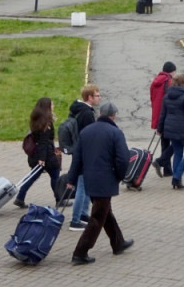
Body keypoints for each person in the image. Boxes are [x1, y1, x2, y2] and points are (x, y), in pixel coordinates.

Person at [66, 102, 133, 265]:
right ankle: (80, 252)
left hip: (89, 179)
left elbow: (77, 158)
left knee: (105, 212)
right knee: (97, 217)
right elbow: (123, 159)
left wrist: (71, 179)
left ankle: (118, 243)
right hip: (105, 180)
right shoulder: (116, 133)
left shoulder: (86, 131)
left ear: (99, 114)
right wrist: (118, 177)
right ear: (113, 115)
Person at [14, 97, 62, 209]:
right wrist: (42, 159)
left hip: (36, 154)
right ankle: (59, 199)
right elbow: (43, 143)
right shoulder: (46, 124)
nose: (53, 106)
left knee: (32, 177)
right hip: (46, 156)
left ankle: (20, 197)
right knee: (55, 175)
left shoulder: (36, 121)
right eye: (52, 104)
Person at [156, 74, 184, 190]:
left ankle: (177, 180)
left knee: (178, 152)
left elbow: (162, 114)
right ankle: (177, 176)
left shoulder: (167, 96)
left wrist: (159, 129)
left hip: (171, 130)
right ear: (182, 83)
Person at [67, 84, 102, 231]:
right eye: (97, 95)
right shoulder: (87, 114)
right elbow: (90, 135)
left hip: (79, 151)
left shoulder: (77, 110)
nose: (99, 98)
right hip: (85, 154)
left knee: (86, 185)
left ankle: (83, 214)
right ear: (89, 97)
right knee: (82, 186)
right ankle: (75, 220)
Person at [150, 62, 176, 178]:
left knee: (165, 143)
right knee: (177, 142)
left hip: (158, 116)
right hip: (168, 116)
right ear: (172, 71)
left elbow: (152, 98)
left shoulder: (155, 82)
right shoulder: (169, 82)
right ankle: (160, 162)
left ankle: (167, 169)